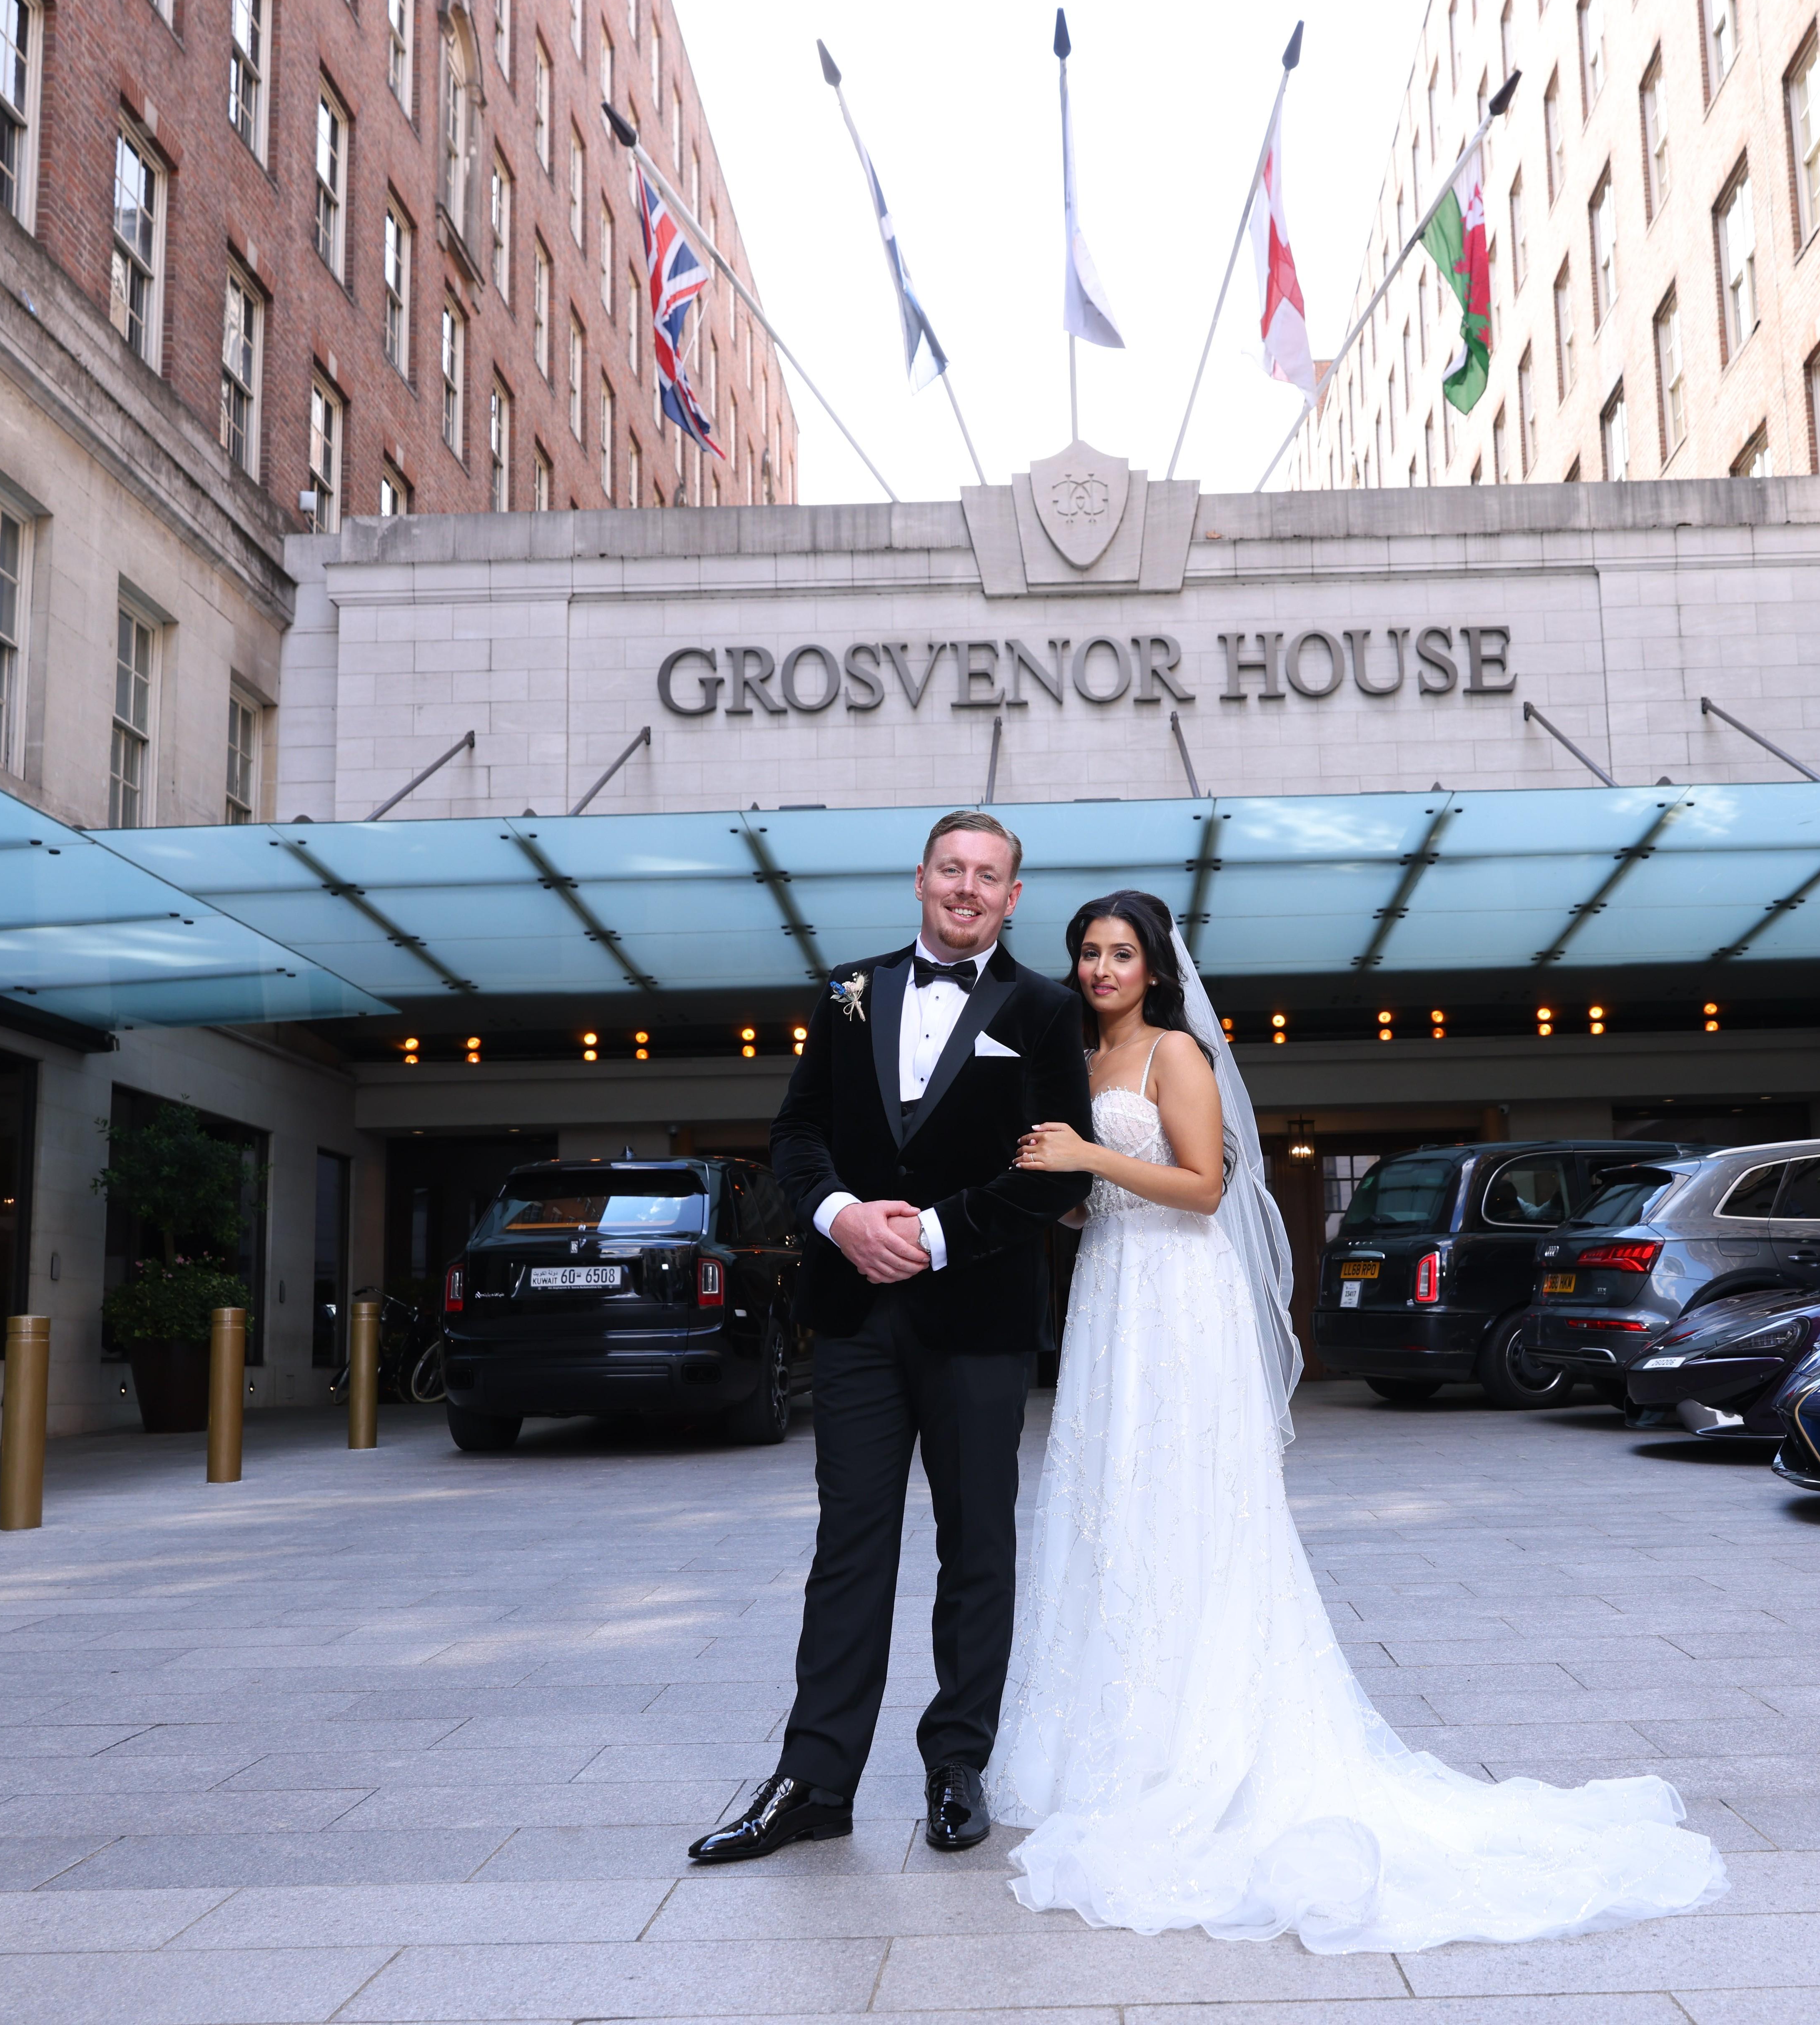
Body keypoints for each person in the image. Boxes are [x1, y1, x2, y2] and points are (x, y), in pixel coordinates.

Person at [988, 891, 1725, 1952]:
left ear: (1155, 968)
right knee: (1112, 1501)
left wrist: (1091, 1160)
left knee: (1189, 1502)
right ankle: (1111, 1737)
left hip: (1178, 1300)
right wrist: (1059, 1188)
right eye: (1090, 953)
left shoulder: (1173, 1056)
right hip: (1110, 1291)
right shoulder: (1075, 1056)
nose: (1102, 969)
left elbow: (1200, 1188)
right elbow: (1089, 1195)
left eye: (1122, 953)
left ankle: (1202, 1741)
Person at [689, 812, 1095, 1866]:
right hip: (858, 1315)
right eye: (951, 868)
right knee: (848, 1547)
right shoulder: (845, 990)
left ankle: (959, 1767)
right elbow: (796, 1131)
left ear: (1014, 897)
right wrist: (840, 1217)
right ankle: (815, 1780)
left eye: (989, 875)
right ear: (920, 879)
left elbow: (1062, 1166)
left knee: (979, 1548)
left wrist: (938, 1236)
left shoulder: (1047, 1011)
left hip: (979, 1317)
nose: (967, 888)